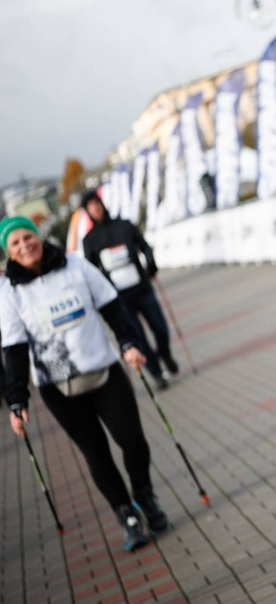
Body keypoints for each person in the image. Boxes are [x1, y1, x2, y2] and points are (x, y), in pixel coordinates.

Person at [0, 216, 169, 552]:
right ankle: (128, 517)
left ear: (38, 236)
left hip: (104, 371)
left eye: (27, 237)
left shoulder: (75, 266)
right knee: (96, 454)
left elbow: (114, 308)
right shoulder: (9, 293)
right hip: (58, 390)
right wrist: (17, 402)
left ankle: (145, 496)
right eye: (15, 243)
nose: (24, 245)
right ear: (9, 252)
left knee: (133, 442)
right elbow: (15, 351)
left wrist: (128, 343)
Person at [80, 190, 179, 387]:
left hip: (142, 288)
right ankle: (157, 374)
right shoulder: (89, 241)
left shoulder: (124, 225)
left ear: (102, 203)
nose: (96, 207)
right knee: (138, 337)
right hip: (119, 298)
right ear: (87, 211)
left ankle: (165, 355)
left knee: (160, 327)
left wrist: (151, 263)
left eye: (97, 202)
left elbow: (144, 246)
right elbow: (91, 272)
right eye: (91, 206)